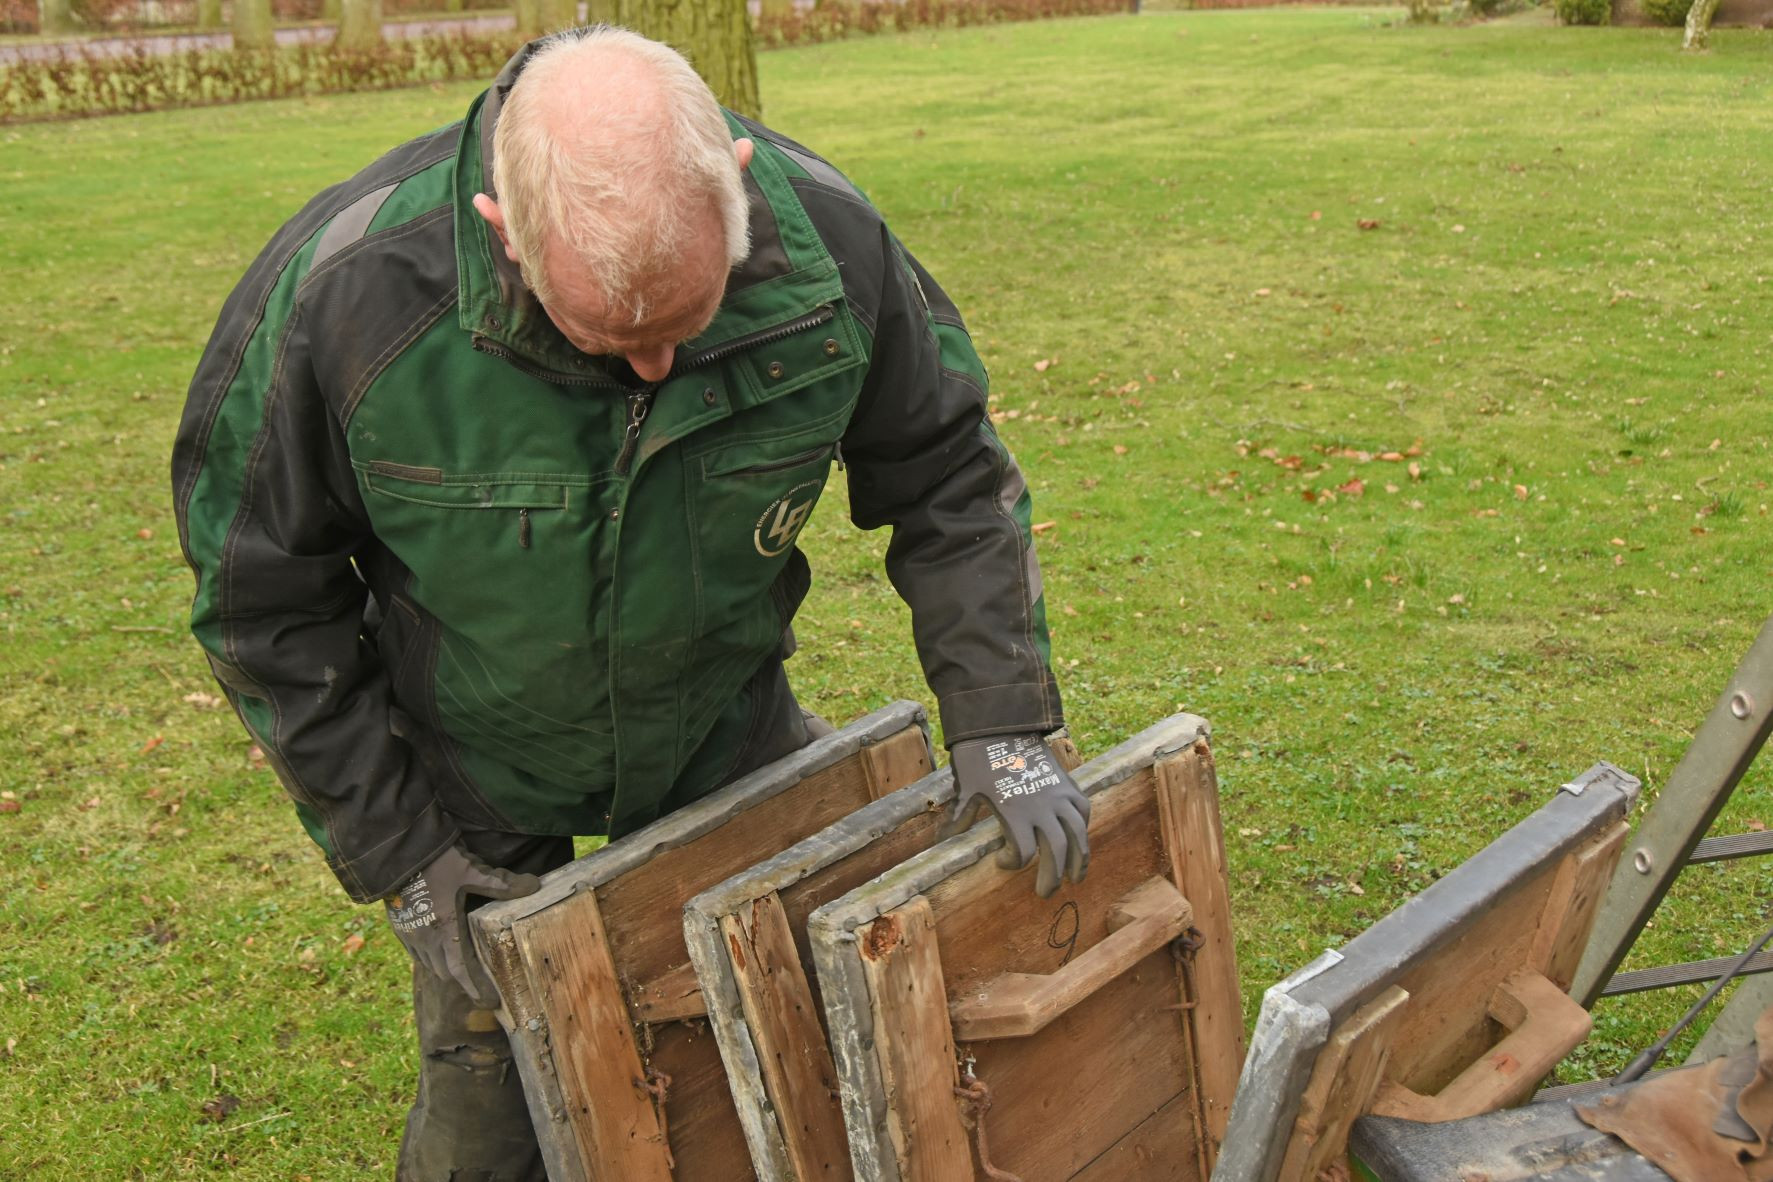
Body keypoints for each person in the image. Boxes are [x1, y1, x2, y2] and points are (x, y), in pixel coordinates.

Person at [171, 25, 1089, 1179]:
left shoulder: (832, 246)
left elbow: (949, 475)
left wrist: (1003, 719)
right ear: (503, 228)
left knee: (787, 1062)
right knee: (492, 1107)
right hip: (474, 780)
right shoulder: (348, 298)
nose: (654, 369)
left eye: (685, 325)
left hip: (724, 729)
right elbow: (260, 604)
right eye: (612, 336)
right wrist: (403, 854)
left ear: (735, 185)